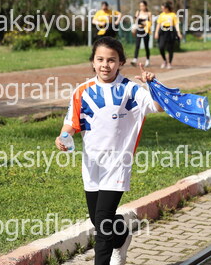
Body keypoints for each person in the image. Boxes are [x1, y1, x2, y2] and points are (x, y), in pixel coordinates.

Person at [55, 37, 165, 265]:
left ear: (121, 62)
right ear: (93, 62)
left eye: (111, 60)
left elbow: (158, 106)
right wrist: (63, 137)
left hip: (118, 164)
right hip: (92, 165)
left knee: (103, 224)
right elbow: (71, 124)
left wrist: (153, 85)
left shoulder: (130, 90)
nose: (105, 65)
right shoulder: (82, 91)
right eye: (100, 59)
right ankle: (122, 236)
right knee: (98, 219)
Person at [154, 2, 182, 69]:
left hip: (171, 31)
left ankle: (169, 63)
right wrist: (156, 32)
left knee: (170, 48)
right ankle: (164, 60)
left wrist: (178, 33)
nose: (162, 9)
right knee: (161, 47)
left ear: (167, 8)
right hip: (163, 31)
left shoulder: (173, 15)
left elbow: (176, 24)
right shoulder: (161, 15)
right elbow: (158, 24)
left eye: (163, 8)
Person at [131, 0, 152, 67]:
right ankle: (135, 60)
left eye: (143, 6)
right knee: (137, 45)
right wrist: (134, 28)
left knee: (146, 46)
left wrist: (143, 23)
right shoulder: (138, 12)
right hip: (139, 30)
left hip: (145, 31)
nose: (141, 7)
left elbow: (150, 23)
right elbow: (136, 21)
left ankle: (147, 60)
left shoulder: (149, 13)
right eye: (140, 6)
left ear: (146, 6)